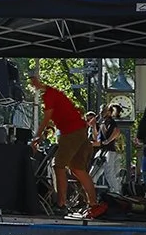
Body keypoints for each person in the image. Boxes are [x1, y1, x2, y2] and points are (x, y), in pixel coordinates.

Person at [31, 73, 104, 219]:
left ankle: (61, 204)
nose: (33, 86)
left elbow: (47, 117)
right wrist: (49, 128)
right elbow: (59, 115)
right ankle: (94, 204)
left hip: (70, 132)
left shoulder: (49, 94)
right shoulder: (56, 94)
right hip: (79, 131)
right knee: (78, 169)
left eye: (34, 82)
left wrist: (37, 136)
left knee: (58, 165)